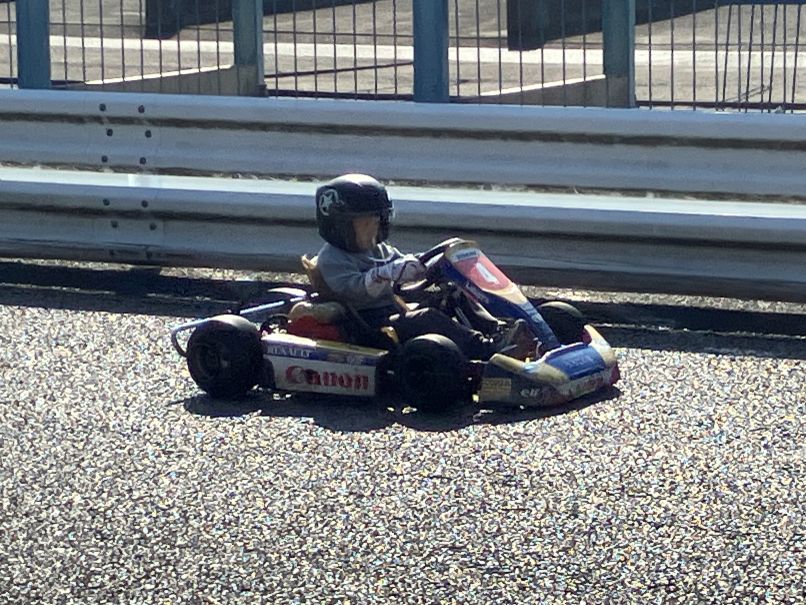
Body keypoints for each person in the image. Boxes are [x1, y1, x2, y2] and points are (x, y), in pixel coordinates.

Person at [312, 173, 536, 360]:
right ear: (338, 226)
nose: (373, 230)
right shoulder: (331, 258)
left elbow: (403, 263)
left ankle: (498, 330)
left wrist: (430, 262)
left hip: (393, 311)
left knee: (453, 293)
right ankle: (488, 350)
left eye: (377, 222)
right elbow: (353, 290)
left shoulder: (376, 249)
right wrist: (385, 273)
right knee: (427, 317)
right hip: (368, 326)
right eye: (365, 224)